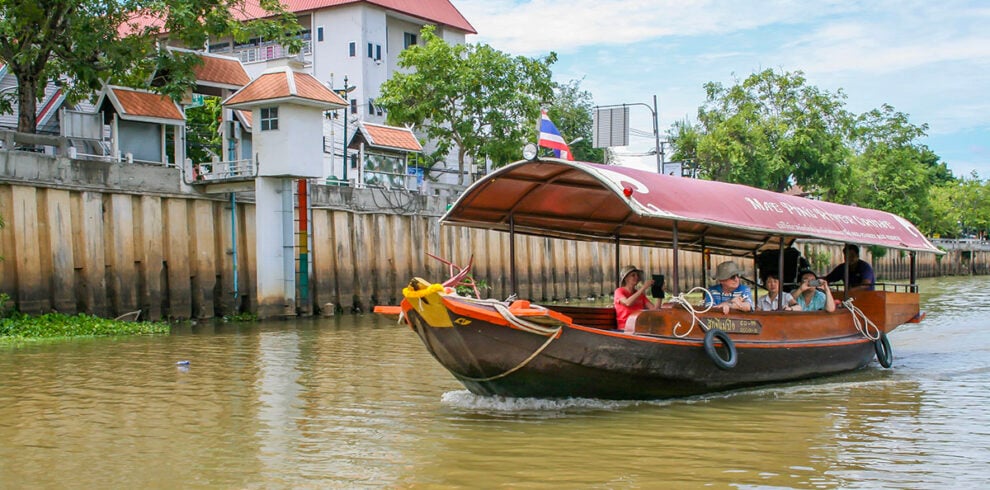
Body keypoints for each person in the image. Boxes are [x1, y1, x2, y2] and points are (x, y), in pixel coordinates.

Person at [614, 265, 658, 330]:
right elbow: (627, 303)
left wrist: (659, 292)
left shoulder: (640, 294)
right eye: (633, 275)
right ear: (626, 278)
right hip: (625, 328)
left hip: (641, 327)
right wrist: (643, 288)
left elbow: (655, 310)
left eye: (637, 275)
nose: (636, 277)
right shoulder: (619, 291)